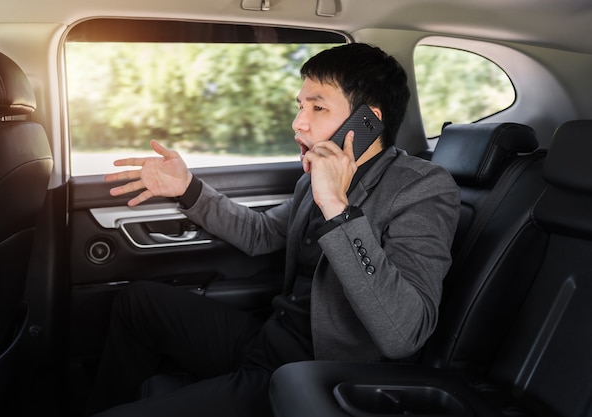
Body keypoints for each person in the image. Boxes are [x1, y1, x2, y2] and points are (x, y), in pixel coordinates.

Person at [87, 43, 460, 417]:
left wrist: (338, 209)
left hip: (316, 374)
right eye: (300, 106)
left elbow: (404, 333)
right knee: (136, 303)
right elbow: (262, 234)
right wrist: (188, 189)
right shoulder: (311, 180)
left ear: (367, 121)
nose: (298, 121)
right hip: (270, 339)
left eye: (317, 107)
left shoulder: (420, 187)